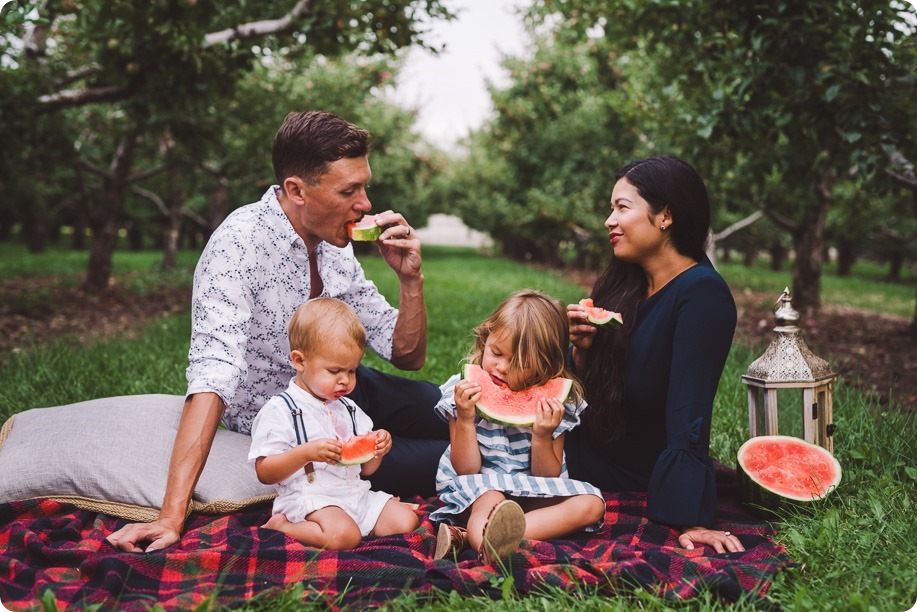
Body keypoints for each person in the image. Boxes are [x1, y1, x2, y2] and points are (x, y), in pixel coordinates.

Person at [108, 110, 447, 553]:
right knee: (450, 457)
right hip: (297, 423)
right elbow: (213, 377)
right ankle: (534, 464)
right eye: (349, 190)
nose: (365, 204)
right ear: (296, 190)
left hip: (345, 386)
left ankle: (546, 441)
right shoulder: (238, 247)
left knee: (443, 408)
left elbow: (404, 353)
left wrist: (410, 282)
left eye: (364, 186)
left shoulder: (332, 242)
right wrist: (171, 516)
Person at [564, 155, 744, 553]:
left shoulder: (701, 294)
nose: (608, 221)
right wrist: (581, 352)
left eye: (621, 208)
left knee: (450, 445)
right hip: (572, 434)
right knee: (439, 408)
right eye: (610, 209)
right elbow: (588, 390)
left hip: (619, 464)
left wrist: (689, 516)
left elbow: (689, 413)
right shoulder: (626, 283)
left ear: (665, 215)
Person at [430, 290, 606, 564]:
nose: (500, 367)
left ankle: (470, 538)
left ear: (543, 366)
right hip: (482, 484)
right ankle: (486, 541)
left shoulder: (554, 403)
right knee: (490, 502)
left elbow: (547, 476)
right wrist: (465, 419)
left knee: (592, 505)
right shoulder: (462, 391)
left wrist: (542, 435)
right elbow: (466, 468)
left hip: (532, 488)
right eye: (496, 353)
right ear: (484, 339)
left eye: (517, 363)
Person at [249, 298, 419, 549]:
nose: (345, 381)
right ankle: (282, 527)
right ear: (299, 361)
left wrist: (378, 448)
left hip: (355, 495)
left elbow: (367, 469)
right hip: (311, 500)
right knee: (344, 537)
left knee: (407, 521)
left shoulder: (350, 409)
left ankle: (353, 528)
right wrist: (305, 453)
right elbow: (265, 471)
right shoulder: (281, 410)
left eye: (352, 371)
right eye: (334, 371)